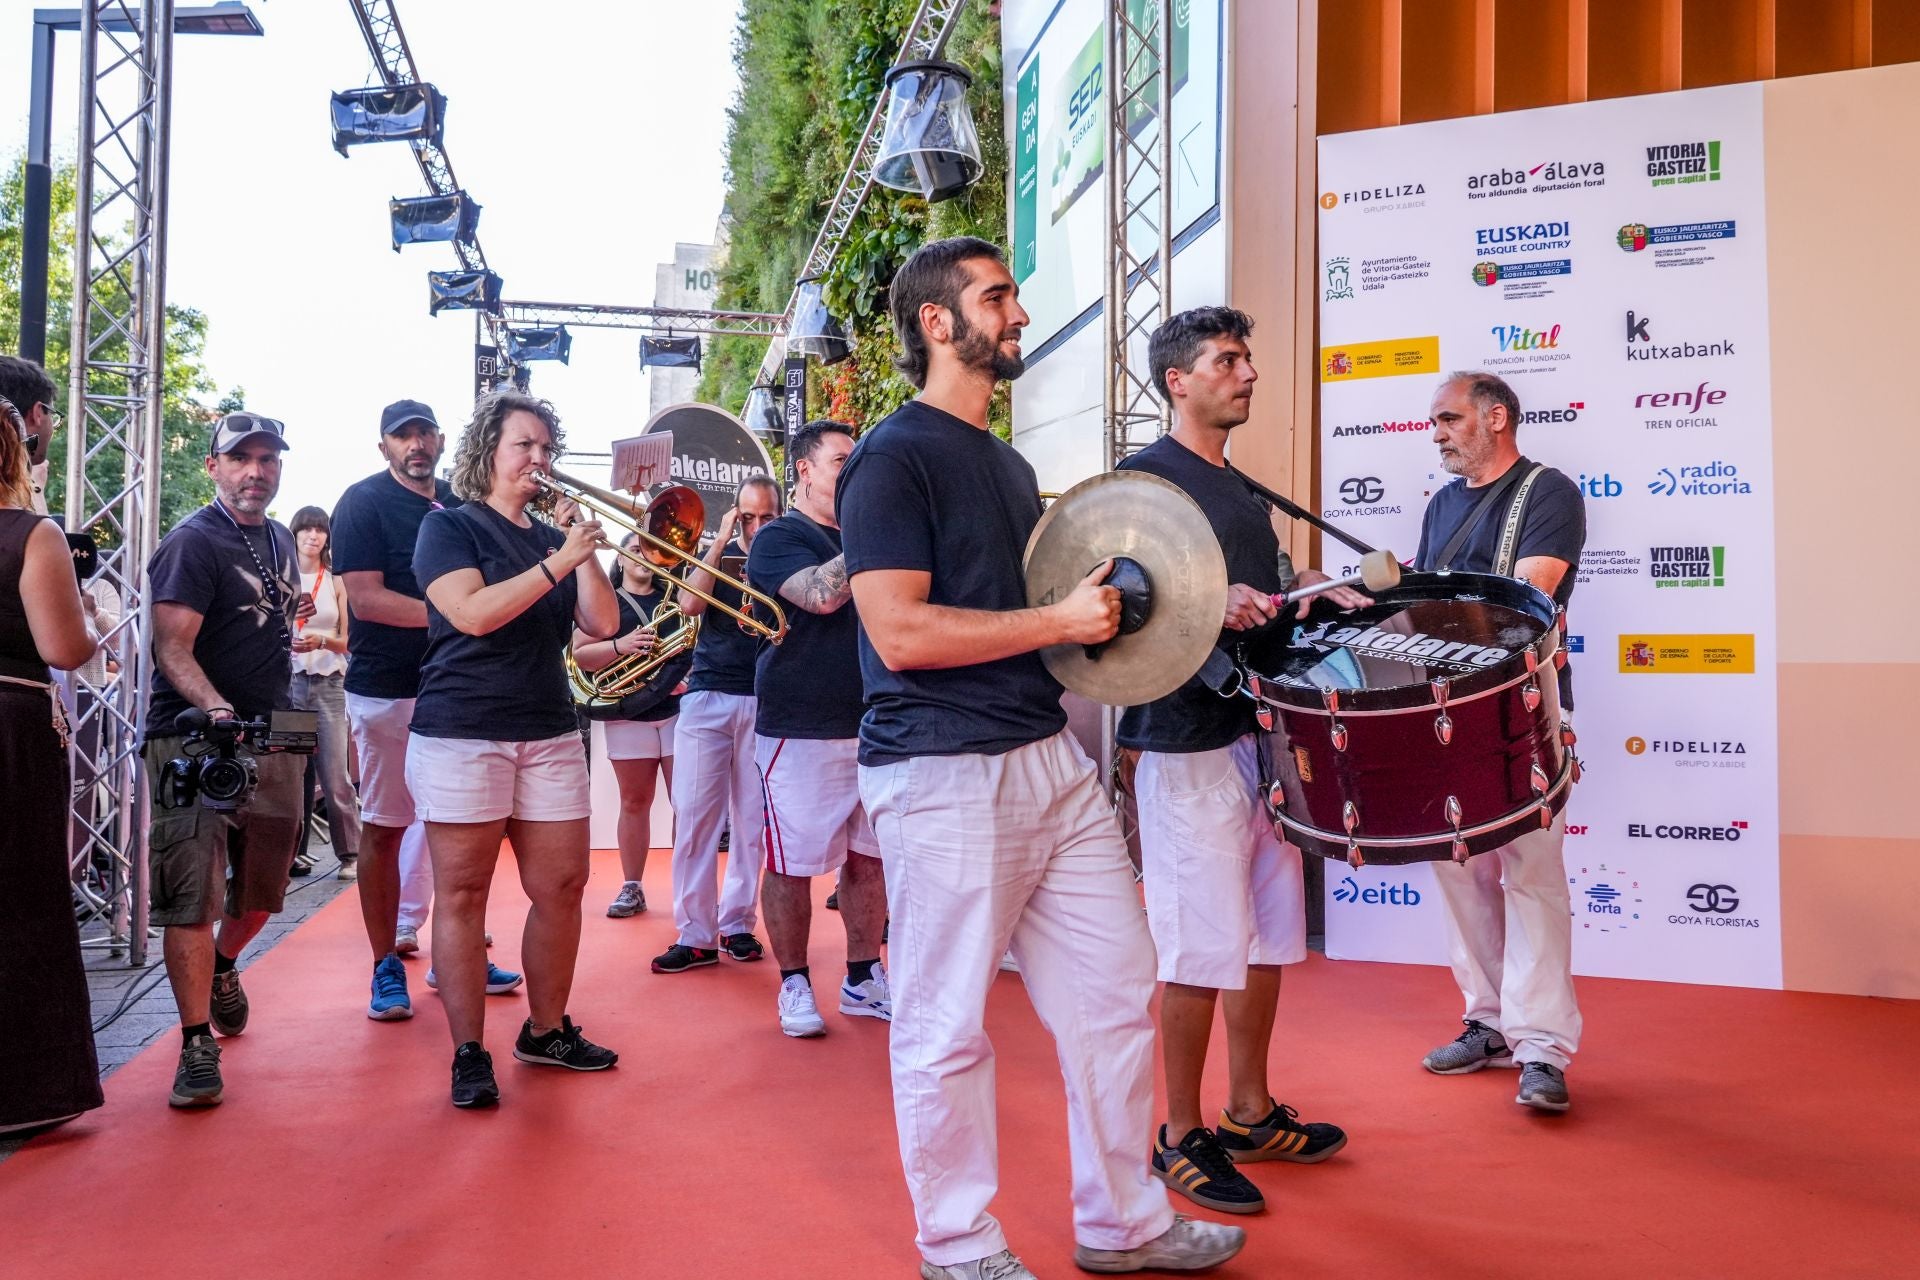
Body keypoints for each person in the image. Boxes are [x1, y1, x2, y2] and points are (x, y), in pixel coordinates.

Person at [836, 236, 1244, 1278]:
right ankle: (959, 1246)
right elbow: (901, 633)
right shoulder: (893, 455)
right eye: (998, 296)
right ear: (939, 322)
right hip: (939, 769)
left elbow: (1043, 623)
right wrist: (1058, 612)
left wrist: (1154, 608)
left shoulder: (1007, 463)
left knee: (1115, 989)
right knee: (945, 1023)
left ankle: (1125, 1221)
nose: (1018, 313)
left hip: (1042, 755)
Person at [1118, 308, 1356, 1215]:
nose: (1247, 373)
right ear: (1178, 380)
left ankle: (1249, 1111)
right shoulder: (1143, 484)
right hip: (1183, 743)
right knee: (1195, 947)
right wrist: (1215, 602)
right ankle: (1179, 1135)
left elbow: (1272, 608)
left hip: (1262, 739)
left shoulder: (1243, 492)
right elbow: (1116, 598)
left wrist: (1314, 594)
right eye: (1228, 360)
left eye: (1249, 358)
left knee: (1266, 937)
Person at [410, 389, 621, 1109]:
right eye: (522, 446)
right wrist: (561, 561)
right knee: (463, 894)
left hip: (549, 727)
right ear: (487, 455)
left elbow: (602, 621)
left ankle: (547, 1027)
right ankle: (469, 1050)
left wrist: (580, 550)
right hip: (463, 731)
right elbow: (470, 615)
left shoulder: (551, 538)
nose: (538, 459)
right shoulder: (450, 528)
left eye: (545, 447)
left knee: (562, 888)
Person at [1416, 370, 1586, 1113]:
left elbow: (1530, 597)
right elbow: (1426, 606)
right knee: (1457, 866)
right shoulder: (1439, 504)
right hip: (1441, 704)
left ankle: (1542, 1045)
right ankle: (1486, 1019)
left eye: (1450, 419)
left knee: (1532, 870)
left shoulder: (1548, 492)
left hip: (1519, 708)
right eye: (1435, 422)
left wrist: (1435, 610)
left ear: (1496, 417)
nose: (1438, 433)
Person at [330, 400, 518, 1019]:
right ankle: (385, 965)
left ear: (441, 441)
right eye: (402, 436)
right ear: (383, 445)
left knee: (462, 832)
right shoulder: (362, 502)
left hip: (457, 690)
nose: (416, 444)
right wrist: (465, 618)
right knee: (384, 828)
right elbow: (366, 598)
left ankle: (453, 953)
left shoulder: (462, 506)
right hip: (387, 688)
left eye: (424, 433)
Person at [143, 412, 309, 1108]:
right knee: (193, 894)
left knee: (269, 888)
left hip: (281, 725)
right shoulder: (192, 541)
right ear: (212, 466)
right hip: (191, 734)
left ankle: (223, 964)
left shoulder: (277, 538)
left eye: (268, 460)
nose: (256, 471)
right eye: (242, 458)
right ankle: (194, 1043)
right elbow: (170, 647)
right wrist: (214, 710)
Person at [746, 419, 889, 1038]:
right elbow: (821, 596)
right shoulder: (778, 537)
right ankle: (795, 981)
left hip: (878, 720)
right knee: (791, 863)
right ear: (804, 469)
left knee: (870, 860)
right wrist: (884, 535)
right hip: (800, 724)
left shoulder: (866, 535)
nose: (851, 473)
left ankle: (863, 975)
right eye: (839, 462)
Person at [0, 392, 104, 1135]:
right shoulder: (32, 536)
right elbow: (67, 650)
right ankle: (24, 1092)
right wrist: (90, 618)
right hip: (11, 725)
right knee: (24, 898)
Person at [650, 474, 782, 974]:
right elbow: (689, 603)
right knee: (696, 818)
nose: (757, 526)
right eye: (747, 517)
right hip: (707, 695)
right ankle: (696, 933)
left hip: (763, 698)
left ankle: (739, 924)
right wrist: (721, 539)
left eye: (766, 516)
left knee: (752, 823)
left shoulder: (785, 552)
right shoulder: (715, 550)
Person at [572, 539, 683, 919]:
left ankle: (687, 886)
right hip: (628, 715)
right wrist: (622, 646)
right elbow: (581, 656)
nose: (642, 554)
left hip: (677, 712)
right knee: (635, 803)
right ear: (619, 557)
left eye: (650, 548)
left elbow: (694, 649)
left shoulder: (677, 597)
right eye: (633, 547)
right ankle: (632, 886)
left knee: (685, 804)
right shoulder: (606, 601)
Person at [286, 506, 358, 878]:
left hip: (329, 680)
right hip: (290, 684)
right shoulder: (280, 578)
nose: (313, 536)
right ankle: (289, 854)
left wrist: (322, 642)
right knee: (291, 771)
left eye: (320, 530)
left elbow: (350, 640)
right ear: (294, 534)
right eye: (306, 530)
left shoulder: (335, 580)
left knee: (334, 773)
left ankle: (350, 854)